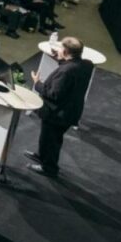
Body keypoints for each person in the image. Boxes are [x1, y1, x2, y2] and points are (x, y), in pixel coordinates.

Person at [26, 37, 94, 178]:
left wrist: (37, 83)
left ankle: (49, 168)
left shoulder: (66, 71)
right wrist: (60, 56)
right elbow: (70, 65)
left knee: (51, 140)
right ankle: (42, 156)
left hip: (57, 114)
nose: (57, 50)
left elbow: (53, 94)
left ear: (65, 51)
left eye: (60, 48)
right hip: (71, 111)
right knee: (48, 138)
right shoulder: (87, 65)